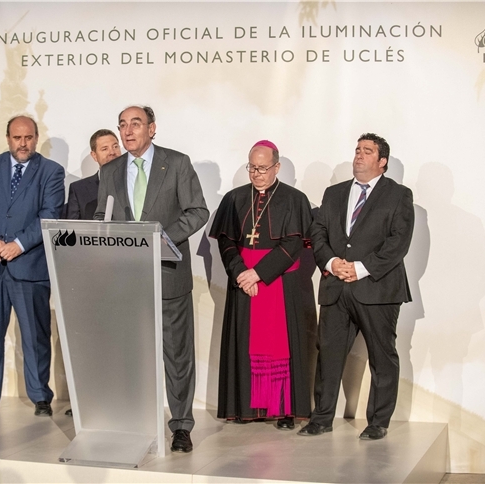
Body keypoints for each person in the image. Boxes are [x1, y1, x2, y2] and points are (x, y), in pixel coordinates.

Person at [94, 105, 209, 453]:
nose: (128, 132)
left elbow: (198, 211)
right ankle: (134, 421)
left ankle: (181, 426)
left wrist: (162, 239)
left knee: (177, 355)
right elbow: (103, 214)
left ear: (152, 129)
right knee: (132, 355)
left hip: (168, 275)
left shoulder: (177, 163)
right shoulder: (111, 170)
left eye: (136, 124)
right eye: (123, 125)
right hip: (126, 280)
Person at [301, 133, 414, 440]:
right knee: (328, 355)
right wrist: (331, 262)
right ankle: (321, 418)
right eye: (357, 150)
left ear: (382, 162)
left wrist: (361, 269)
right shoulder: (334, 193)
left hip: (377, 290)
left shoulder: (399, 195)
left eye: (367, 151)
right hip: (336, 287)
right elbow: (319, 232)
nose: (359, 155)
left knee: (382, 357)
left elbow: (398, 243)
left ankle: (378, 422)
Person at [0, 115, 65, 417]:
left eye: (29, 137)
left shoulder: (51, 171)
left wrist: (18, 244)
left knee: (35, 335)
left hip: (29, 264)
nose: (23, 143)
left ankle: (40, 396)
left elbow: (50, 215)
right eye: (17, 138)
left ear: (36, 137)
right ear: (8, 138)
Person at [209, 140, 313, 430]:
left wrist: (259, 273)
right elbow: (228, 241)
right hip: (243, 281)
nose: (256, 174)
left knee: (279, 347)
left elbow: (294, 243)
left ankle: (284, 410)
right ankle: (246, 407)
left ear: (277, 167)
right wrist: (241, 271)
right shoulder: (233, 198)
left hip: (278, 282)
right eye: (252, 168)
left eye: (263, 168)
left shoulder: (294, 199)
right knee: (245, 343)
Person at [66, 129, 121, 220]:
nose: (112, 152)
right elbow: (72, 229)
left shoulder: (134, 182)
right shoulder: (79, 189)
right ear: (94, 155)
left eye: (115, 147)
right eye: (105, 149)